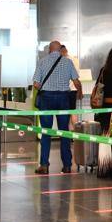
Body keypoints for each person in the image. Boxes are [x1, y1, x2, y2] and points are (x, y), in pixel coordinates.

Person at [33, 41, 83, 175]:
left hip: (46, 99)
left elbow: (36, 84)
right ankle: (67, 165)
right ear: (60, 49)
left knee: (46, 132)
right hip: (63, 99)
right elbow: (76, 81)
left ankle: (44, 165)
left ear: (50, 49)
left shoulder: (42, 61)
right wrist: (80, 93)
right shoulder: (67, 62)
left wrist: (45, 86)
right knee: (64, 132)